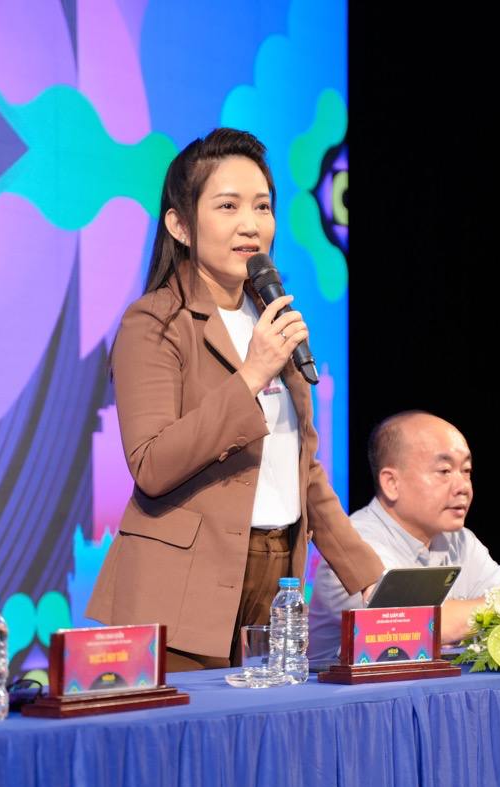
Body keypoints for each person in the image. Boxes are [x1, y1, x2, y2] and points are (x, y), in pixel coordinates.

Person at [85, 128, 384, 669]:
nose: (251, 224)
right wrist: (250, 375)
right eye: (228, 206)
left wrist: (368, 578)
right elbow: (152, 465)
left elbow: (303, 469)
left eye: (262, 206)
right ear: (180, 225)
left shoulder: (273, 318)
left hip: (276, 579)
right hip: (181, 589)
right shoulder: (155, 321)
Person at [308, 411, 500, 660]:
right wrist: (491, 610)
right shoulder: (354, 546)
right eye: (445, 471)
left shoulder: (461, 541)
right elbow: (408, 626)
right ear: (391, 483)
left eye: (466, 470)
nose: (463, 487)